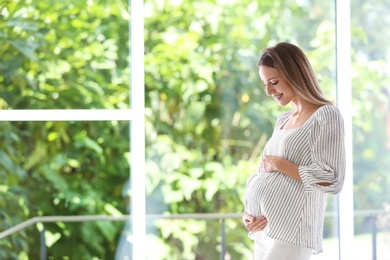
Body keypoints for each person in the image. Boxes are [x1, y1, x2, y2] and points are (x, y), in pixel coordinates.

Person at [243, 42, 346, 260]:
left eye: (274, 82)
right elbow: (263, 173)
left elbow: (333, 180)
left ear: (295, 74)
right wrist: (249, 214)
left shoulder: (326, 116)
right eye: (265, 84)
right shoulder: (283, 120)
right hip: (263, 230)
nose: (269, 91)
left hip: (292, 232)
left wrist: (281, 164)